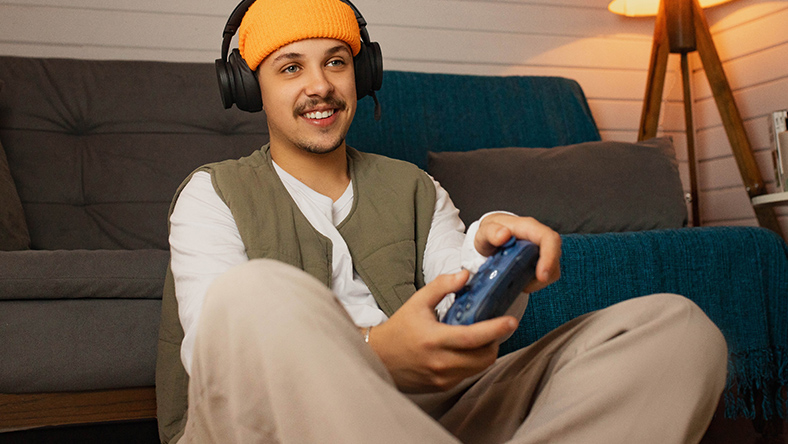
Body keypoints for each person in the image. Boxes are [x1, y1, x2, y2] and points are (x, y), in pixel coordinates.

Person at [155, 0, 729, 442]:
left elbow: (456, 287)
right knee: (255, 294)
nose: (321, 85)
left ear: (363, 74)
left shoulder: (413, 187)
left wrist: (491, 244)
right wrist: (376, 350)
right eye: (290, 67)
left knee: (675, 328)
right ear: (252, 87)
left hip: (425, 410)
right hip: (267, 425)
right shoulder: (213, 194)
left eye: (336, 61)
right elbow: (218, 358)